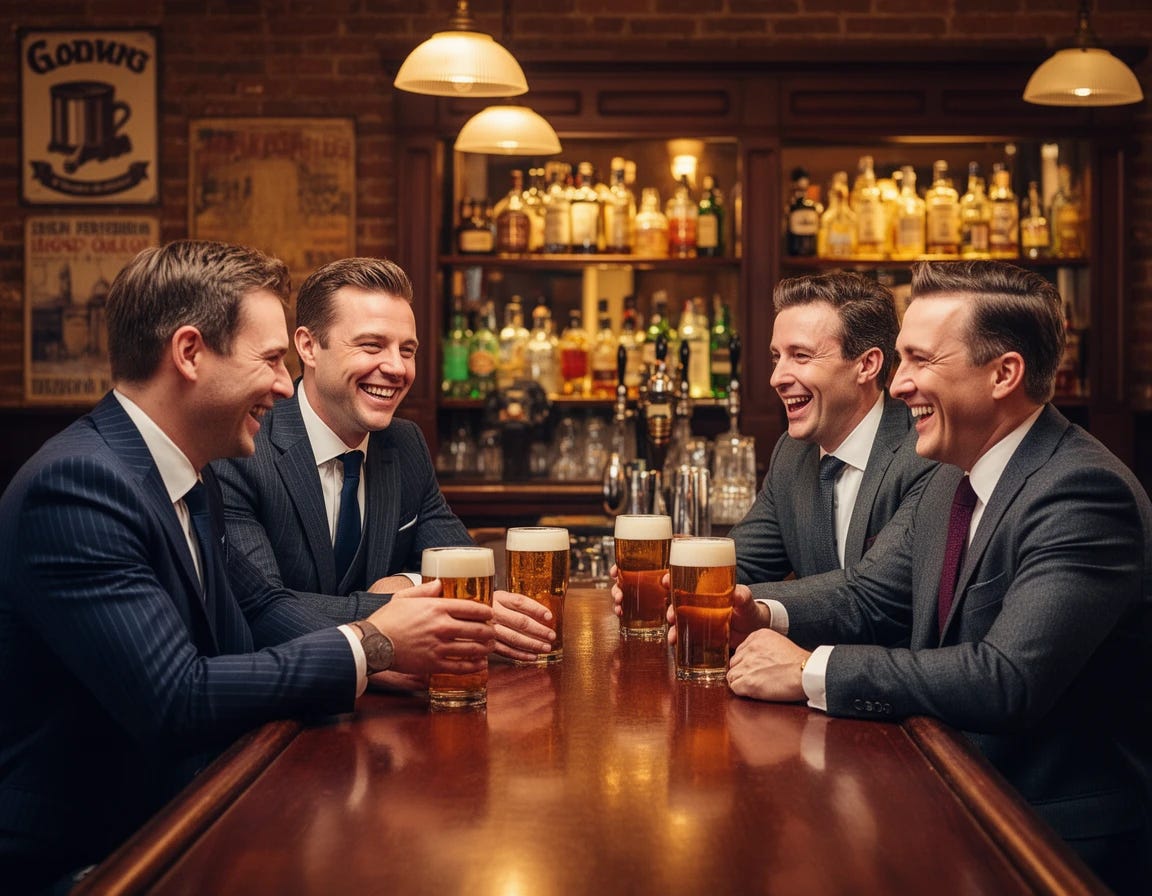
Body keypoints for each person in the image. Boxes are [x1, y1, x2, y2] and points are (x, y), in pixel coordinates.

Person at [0, 241, 496, 893]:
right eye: (269, 361)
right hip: (90, 858)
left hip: (187, 811)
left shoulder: (188, 473)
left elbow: (248, 632)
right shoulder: (78, 485)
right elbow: (176, 698)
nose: (282, 385)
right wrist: (373, 643)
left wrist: (381, 648)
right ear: (189, 354)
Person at [720, 260, 1152, 893]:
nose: (897, 387)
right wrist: (758, 612)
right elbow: (871, 599)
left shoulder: (1082, 491)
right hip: (952, 787)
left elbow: (1007, 679)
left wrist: (810, 670)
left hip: (1052, 836)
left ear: (1004, 373)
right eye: (899, 361)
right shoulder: (955, 470)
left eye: (921, 361)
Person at [212, 257, 553, 661]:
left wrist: (407, 584)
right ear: (308, 347)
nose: (396, 368)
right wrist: (397, 614)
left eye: (407, 350)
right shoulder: (243, 446)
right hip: (279, 710)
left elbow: (465, 562)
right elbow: (264, 613)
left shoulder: (404, 443)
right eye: (371, 345)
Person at [728, 271, 935, 585]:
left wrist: (759, 609)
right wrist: (668, 580)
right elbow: (738, 565)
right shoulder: (791, 453)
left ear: (866, 365)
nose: (777, 378)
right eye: (776, 357)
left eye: (801, 356)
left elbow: (877, 597)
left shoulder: (921, 450)